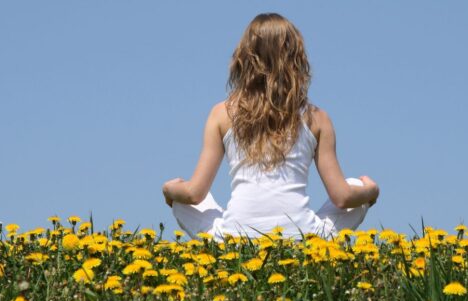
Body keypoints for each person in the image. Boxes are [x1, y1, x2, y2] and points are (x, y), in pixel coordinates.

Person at [162, 13, 379, 242]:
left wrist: (170, 190)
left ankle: (229, 242)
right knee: (355, 185)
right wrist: (371, 191)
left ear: (244, 58)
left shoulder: (220, 114)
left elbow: (195, 194)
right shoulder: (318, 118)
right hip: (303, 238)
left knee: (182, 200)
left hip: (234, 238)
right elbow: (343, 197)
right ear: (296, 59)